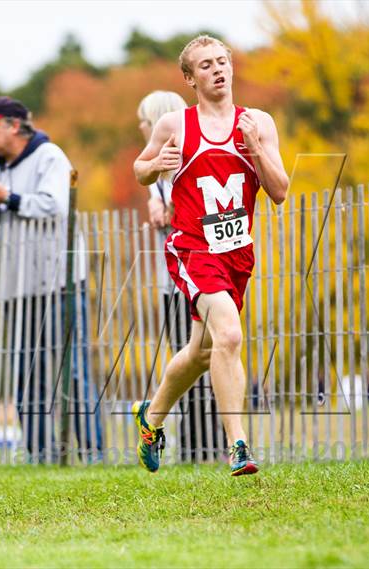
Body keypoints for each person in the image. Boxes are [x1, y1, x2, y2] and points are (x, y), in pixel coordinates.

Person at [133, 35, 289, 476]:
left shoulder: (258, 122)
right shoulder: (176, 125)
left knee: (203, 352)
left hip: (237, 255)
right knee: (231, 336)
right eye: (205, 65)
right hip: (192, 249)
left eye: (223, 62)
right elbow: (141, 170)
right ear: (189, 78)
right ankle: (238, 445)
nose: (218, 70)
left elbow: (279, 192)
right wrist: (155, 163)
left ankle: (151, 418)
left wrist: (255, 148)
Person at [0, 96, 103, 463]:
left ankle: (93, 453)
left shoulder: (50, 156)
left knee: (73, 369)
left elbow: (54, 205)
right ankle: (39, 454)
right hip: (17, 288)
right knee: (26, 374)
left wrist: (8, 198)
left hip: (59, 282)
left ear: (14, 126)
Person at [137, 91, 226, 462]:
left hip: (211, 272)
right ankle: (203, 449)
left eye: (144, 121)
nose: (142, 128)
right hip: (179, 280)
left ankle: (196, 440)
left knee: (204, 355)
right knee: (205, 354)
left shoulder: (197, 154)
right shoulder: (160, 169)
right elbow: (159, 200)